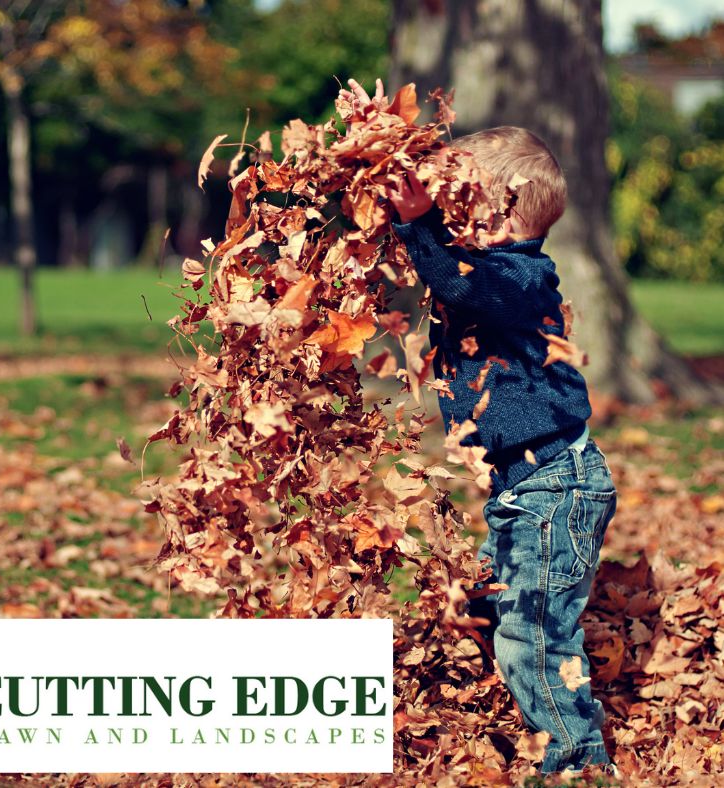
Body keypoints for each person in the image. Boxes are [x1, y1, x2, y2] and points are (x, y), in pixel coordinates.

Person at [341, 80, 620, 777]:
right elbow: (446, 274)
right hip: (527, 489)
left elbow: (460, 282)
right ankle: (554, 716)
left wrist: (419, 225)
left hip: (556, 487)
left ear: (495, 213)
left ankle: (577, 761)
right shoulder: (488, 270)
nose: (445, 211)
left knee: (531, 632)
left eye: (457, 198)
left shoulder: (521, 278)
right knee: (504, 612)